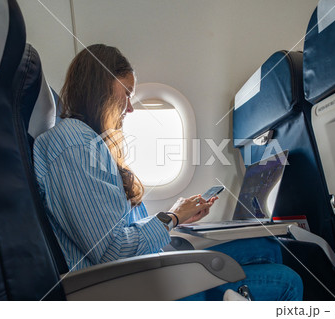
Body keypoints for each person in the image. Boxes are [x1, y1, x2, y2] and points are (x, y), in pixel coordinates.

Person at [34, 44, 303, 300]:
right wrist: (172, 218)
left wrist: (176, 214)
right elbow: (112, 251)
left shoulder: (88, 142)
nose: (130, 108)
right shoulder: (74, 144)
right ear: (100, 85)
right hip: (123, 290)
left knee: (268, 247)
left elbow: (119, 232)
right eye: (126, 93)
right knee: (286, 280)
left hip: (135, 274)